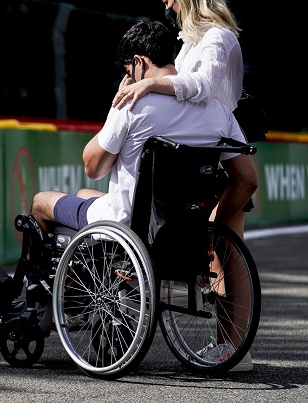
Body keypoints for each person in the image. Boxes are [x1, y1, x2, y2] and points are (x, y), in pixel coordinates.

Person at [29, 19, 257, 371]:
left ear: (139, 63)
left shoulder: (133, 103)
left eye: (128, 69)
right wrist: (218, 222)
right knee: (84, 194)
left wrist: (114, 106)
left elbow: (93, 165)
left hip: (127, 226)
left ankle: (42, 306)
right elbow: (246, 179)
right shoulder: (217, 110)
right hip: (184, 230)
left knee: (42, 202)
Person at [110, 0, 253, 241]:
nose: (167, 10)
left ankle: (210, 238)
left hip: (219, 148)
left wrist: (152, 83)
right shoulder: (192, 41)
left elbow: (203, 86)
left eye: (169, 2)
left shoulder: (218, 37)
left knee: (223, 252)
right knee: (216, 258)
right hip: (206, 145)